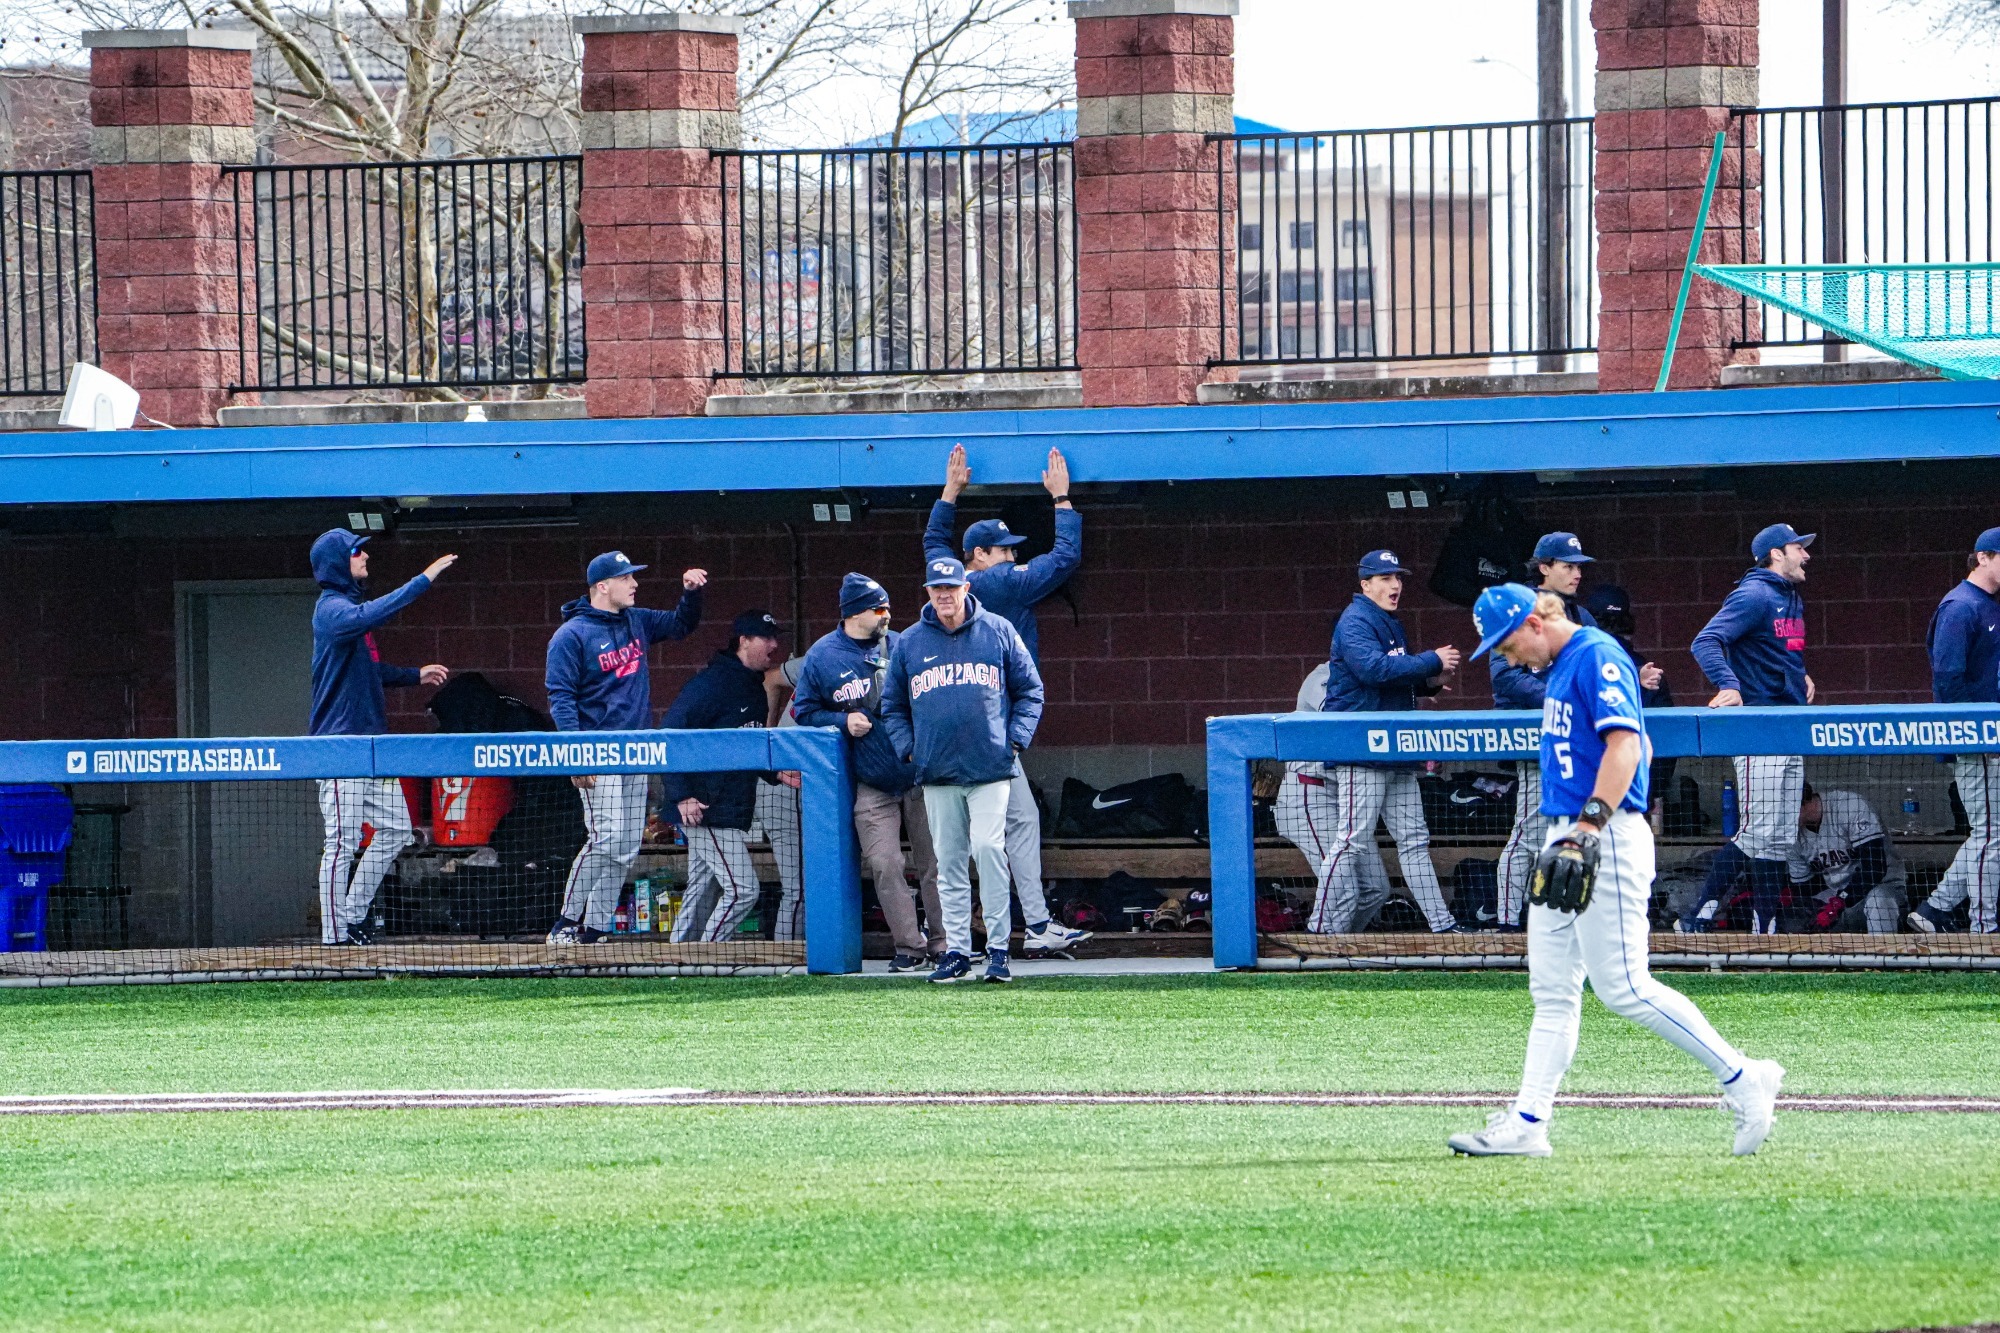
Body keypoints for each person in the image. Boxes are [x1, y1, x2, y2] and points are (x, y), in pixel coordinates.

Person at [1447, 584, 1784, 1159]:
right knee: (1552, 991)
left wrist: (1588, 828)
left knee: (1625, 987)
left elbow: (1627, 748)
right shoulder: (1562, 665)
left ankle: (1742, 1075)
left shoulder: (1596, 654)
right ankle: (1528, 1123)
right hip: (1569, 831)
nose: (1506, 657)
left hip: (1602, 833)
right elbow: (1639, 747)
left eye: (1505, 644)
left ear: (1533, 623)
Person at [923, 443, 1090, 955]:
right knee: (991, 835)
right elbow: (1064, 558)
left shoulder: (949, 581)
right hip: (991, 728)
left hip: (959, 730)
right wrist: (1061, 499)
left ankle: (1027, 925)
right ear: (979, 556)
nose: (1012, 556)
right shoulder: (998, 583)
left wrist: (950, 493)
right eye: (1004, 549)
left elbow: (933, 544)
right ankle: (1013, 930)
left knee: (1001, 828)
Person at [881, 557, 1044, 984]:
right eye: (937, 589)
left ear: (965, 588)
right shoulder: (910, 642)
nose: (944, 595)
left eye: (951, 588)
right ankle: (956, 951)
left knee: (988, 849)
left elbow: (1031, 690)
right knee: (948, 861)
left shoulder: (998, 630)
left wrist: (1015, 741)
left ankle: (998, 950)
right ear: (928, 592)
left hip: (990, 767)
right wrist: (909, 750)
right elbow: (892, 705)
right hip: (937, 772)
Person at [543, 552, 706, 944]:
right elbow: (560, 698)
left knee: (627, 845)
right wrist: (576, 756)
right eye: (626, 578)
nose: (634, 584)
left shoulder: (637, 620)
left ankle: (595, 928)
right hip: (597, 751)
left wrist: (690, 593)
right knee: (607, 838)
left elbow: (681, 625)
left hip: (635, 750)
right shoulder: (571, 635)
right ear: (603, 586)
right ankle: (566, 921)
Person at [308, 530, 454, 946]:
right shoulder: (332, 610)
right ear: (338, 562)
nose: (365, 555)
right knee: (342, 842)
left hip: (371, 747)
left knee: (396, 830)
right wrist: (423, 579)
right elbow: (373, 613)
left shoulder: (349, 608)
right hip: (340, 748)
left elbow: (367, 670)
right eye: (357, 551)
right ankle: (335, 936)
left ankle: (353, 916)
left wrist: (413, 675)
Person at [793, 573, 943, 971]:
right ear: (854, 612)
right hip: (872, 780)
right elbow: (804, 712)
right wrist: (843, 721)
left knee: (936, 862)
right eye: (879, 609)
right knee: (885, 864)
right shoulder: (823, 655)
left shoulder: (903, 644)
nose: (887, 614)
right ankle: (910, 947)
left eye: (888, 607)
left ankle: (945, 944)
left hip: (918, 773)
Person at [1311, 548, 1465, 934]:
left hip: (1396, 749)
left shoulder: (1389, 622)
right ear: (1365, 585)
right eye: (1385, 578)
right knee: (1351, 840)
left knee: (1414, 838)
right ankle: (1317, 927)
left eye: (1398, 578)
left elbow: (1393, 680)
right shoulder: (1355, 620)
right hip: (1360, 749)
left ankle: (1442, 925)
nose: (1395, 585)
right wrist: (1431, 661)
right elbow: (1373, 670)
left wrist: (1430, 682)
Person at [1683, 523, 1815, 934]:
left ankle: (1765, 928)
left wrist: (1799, 675)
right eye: (1798, 548)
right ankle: (1696, 917)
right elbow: (1705, 641)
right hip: (1758, 725)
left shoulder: (1790, 596)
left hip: (1788, 724)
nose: (1806, 555)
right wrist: (1729, 685)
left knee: (1780, 837)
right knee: (1756, 832)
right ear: (1776, 554)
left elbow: (1781, 649)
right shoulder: (1754, 594)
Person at [1491, 533, 1607, 931]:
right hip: (1535, 735)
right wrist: (1560, 699)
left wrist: (1634, 676)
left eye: (1579, 567)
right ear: (1544, 568)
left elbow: (1602, 663)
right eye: (1568, 566)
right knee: (1529, 831)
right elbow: (1504, 677)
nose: (1577, 574)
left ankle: (1558, 916)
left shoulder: (1580, 614)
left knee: (1571, 831)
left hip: (1577, 740)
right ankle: (1506, 922)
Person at [663, 611, 788, 944]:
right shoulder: (712, 683)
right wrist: (681, 795)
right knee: (743, 890)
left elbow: (746, 748)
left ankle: (676, 958)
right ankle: (709, 955)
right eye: (766, 637)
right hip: (704, 808)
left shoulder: (754, 687)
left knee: (701, 888)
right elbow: (669, 734)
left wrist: (776, 772)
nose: (774, 645)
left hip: (729, 808)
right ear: (744, 641)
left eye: (775, 637)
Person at [1909, 528, 2000, 934]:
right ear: (1983, 557)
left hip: (1990, 737)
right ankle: (1983, 927)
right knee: (1990, 834)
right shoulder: (1960, 606)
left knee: (1992, 833)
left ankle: (1934, 910)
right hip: (1976, 741)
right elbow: (1948, 678)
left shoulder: (1988, 605)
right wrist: (1971, 735)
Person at [1272, 663, 1394, 930]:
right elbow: (1339, 718)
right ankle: (1323, 942)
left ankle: (1338, 941)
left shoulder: (1372, 685)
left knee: (1376, 889)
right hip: (1309, 793)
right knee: (1346, 890)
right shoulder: (1323, 676)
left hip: (1345, 798)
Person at [1791, 785, 1906, 933]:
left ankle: (1884, 949)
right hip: (1836, 902)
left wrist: (1841, 901)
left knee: (1878, 901)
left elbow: (1874, 868)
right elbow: (1805, 887)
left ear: (1799, 802)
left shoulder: (1849, 805)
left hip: (1883, 894)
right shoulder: (1791, 835)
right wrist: (1789, 893)